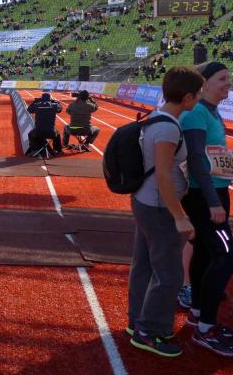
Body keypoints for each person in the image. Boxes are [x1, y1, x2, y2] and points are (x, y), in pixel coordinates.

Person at [127, 66, 202, 358]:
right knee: (168, 273)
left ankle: (137, 321)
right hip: (159, 207)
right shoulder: (168, 127)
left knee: (144, 265)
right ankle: (150, 331)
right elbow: (162, 175)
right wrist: (180, 216)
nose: (198, 100)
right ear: (187, 97)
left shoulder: (155, 117)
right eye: (197, 95)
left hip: (146, 201)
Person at [179, 61, 233, 357]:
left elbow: (213, 156)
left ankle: (198, 314)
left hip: (214, 192)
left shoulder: (211, 112)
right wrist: (213, 201)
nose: (229, 83)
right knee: (225, 256)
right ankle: (206, 329)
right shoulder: (196, 114)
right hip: (205, 197)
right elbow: (198, 160)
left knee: (203, 253)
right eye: (222, 78)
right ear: (205, 83)